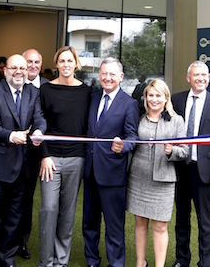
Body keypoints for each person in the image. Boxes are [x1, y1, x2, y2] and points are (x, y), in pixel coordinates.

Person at [0, 54, 46, 267]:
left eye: (22, 68)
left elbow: (40, 118)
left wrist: (38, 132)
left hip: (24, 166)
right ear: (5, 70)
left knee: (14, 218)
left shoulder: (34, 92)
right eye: (14, 68)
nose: (19, 71)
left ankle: (6, 258)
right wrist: (11, 136)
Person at [171, 61, 210, 267]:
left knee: (204, 219)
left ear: (209, 78)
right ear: (188, 78)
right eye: (196, 75)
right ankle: (182, 259)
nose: (201, 79)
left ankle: (205, 263)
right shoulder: (176, 100)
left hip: (204, 170)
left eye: (204, 75)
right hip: (180, 167)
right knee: (181, 217)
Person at [83, 57, 139, 267]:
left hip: (113, 174)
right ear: (99, 75)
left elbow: (132, 136)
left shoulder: (130, 104)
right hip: (90, 171)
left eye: (112, 74)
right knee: (89, 222)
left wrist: (123, 145)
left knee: (114, 225)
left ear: (121, 77)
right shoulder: (93, 98)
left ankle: (116, 263)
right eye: (104, 73)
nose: (107, 78)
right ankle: (92, 260)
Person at [38, 46, 91, 267]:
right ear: (56, 64)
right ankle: (46, 261)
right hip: (50, 158)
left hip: (76, 158)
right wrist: (44, 155)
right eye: (62, 61)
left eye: (70, 61)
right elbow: (39, 123)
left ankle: (61, 261)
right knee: (49, 209)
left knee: (68, 211)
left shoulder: (87, 92)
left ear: (76, 64)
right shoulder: (46, 90)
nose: (66, 65)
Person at [127, 79, 188, 267]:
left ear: (166, 98)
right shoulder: (137, 117)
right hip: (138, 177)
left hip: (164, 181)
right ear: (145, 97)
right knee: (139, 221)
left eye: (158, 95)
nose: (154, 99)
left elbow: (185, 151)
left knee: (160, 226)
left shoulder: (177, 120)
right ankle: (140, 262)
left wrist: (172, 151)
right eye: (150, 95)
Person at [16, 49, 49, 260]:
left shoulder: (48, 87)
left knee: (26, 200)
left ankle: (22, 242)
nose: (33, 65)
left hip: (33, 154)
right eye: (29, 61)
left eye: (37, 62)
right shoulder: (13, 81)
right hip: (8, 152)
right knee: (7, 199)